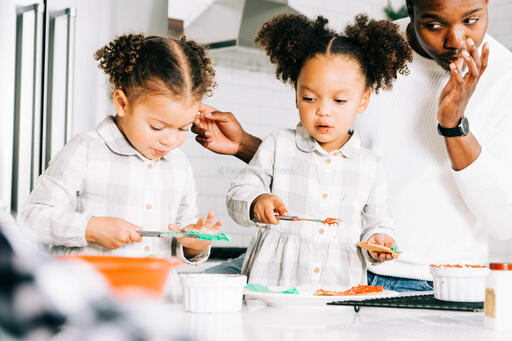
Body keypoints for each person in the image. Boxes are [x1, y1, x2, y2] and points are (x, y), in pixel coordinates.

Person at [198, 0, 512, 291]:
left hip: (438, 281)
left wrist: (453, 126)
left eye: (472, 20)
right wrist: (246, 146)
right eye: (433, 24)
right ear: (410, 7)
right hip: (343, 269)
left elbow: (503, 222)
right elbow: (327, 162)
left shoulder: (504, 76)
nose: (457, 40)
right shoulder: (372, 51)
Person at [225, 14, 411, 288]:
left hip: (337, 290)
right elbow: (237, 194)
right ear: (296, 94)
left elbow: (378, 223)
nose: (323, 110)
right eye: (309, 98)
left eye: (339, 100)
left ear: (363, 100)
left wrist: (379, 241)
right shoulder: (278, 145)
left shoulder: (369, 166)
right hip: (270, 286)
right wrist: (256, 201)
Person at [20, 34, 222, 263]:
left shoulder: (179, 165)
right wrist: (90, 227)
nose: (169, 141)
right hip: (91, 293)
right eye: (157, 127)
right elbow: (32, 220)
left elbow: (180, 235)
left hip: (153, 295)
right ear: (122, 103)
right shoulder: (85, 151)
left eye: (182, 129)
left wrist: (194, 244)